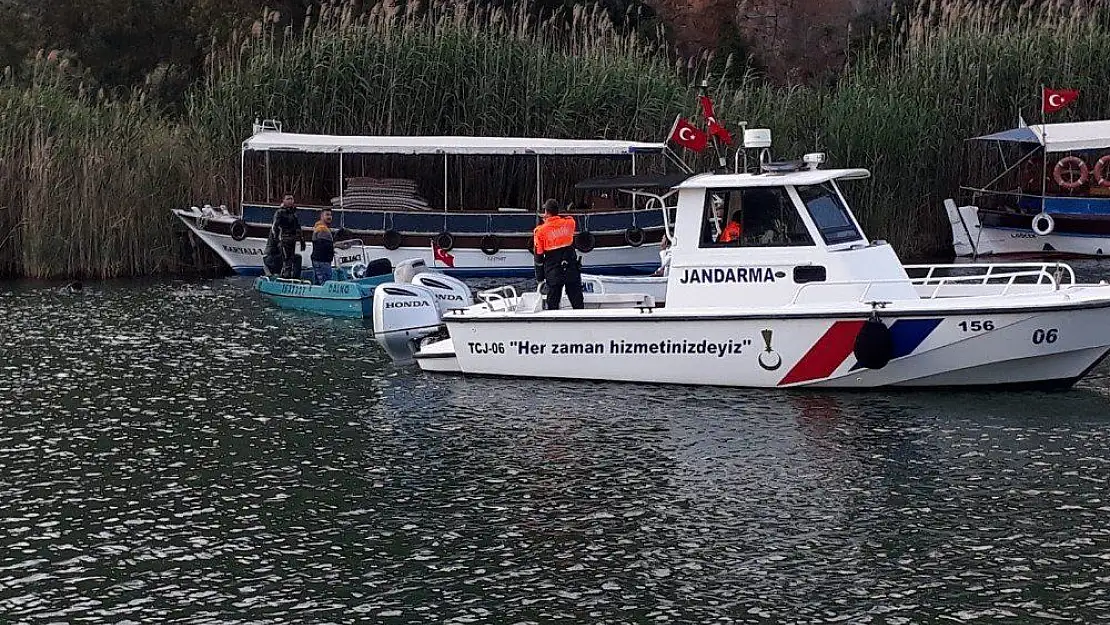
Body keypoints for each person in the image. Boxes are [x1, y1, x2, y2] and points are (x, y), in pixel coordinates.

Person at [533, 198, 584, 310]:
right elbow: (567, 219)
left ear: (546, 212)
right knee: (577, 301)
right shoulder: (570, 223)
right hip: (571, 268)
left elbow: (538, 257)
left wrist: (539, 277)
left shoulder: (540, 231)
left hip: (553, 270)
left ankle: (553, 325)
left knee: (553, 303)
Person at [273, 194, 305, 278]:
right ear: (283, 201)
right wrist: (276, 240)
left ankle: (294, 277)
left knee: (293, 258)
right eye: (288, 199)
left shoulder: (293, 212)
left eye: (291, 199)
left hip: (292, 239)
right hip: (284, 239)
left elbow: (298, 227)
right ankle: (285, 277)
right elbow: (275, 227)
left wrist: (302, 240)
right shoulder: (280, 212)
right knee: (287, 260)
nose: (290, 201)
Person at [310, 208, 338, 284]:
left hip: (318, 259)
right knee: (326, 283)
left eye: (331, 215)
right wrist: (337, 246)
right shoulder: (322, 229)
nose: (329, 217)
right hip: (322, 261)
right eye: (327, 215)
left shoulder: (319, 227)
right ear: (321, 216)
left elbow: (322, 244)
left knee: (317, 283)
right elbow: (323, 245)